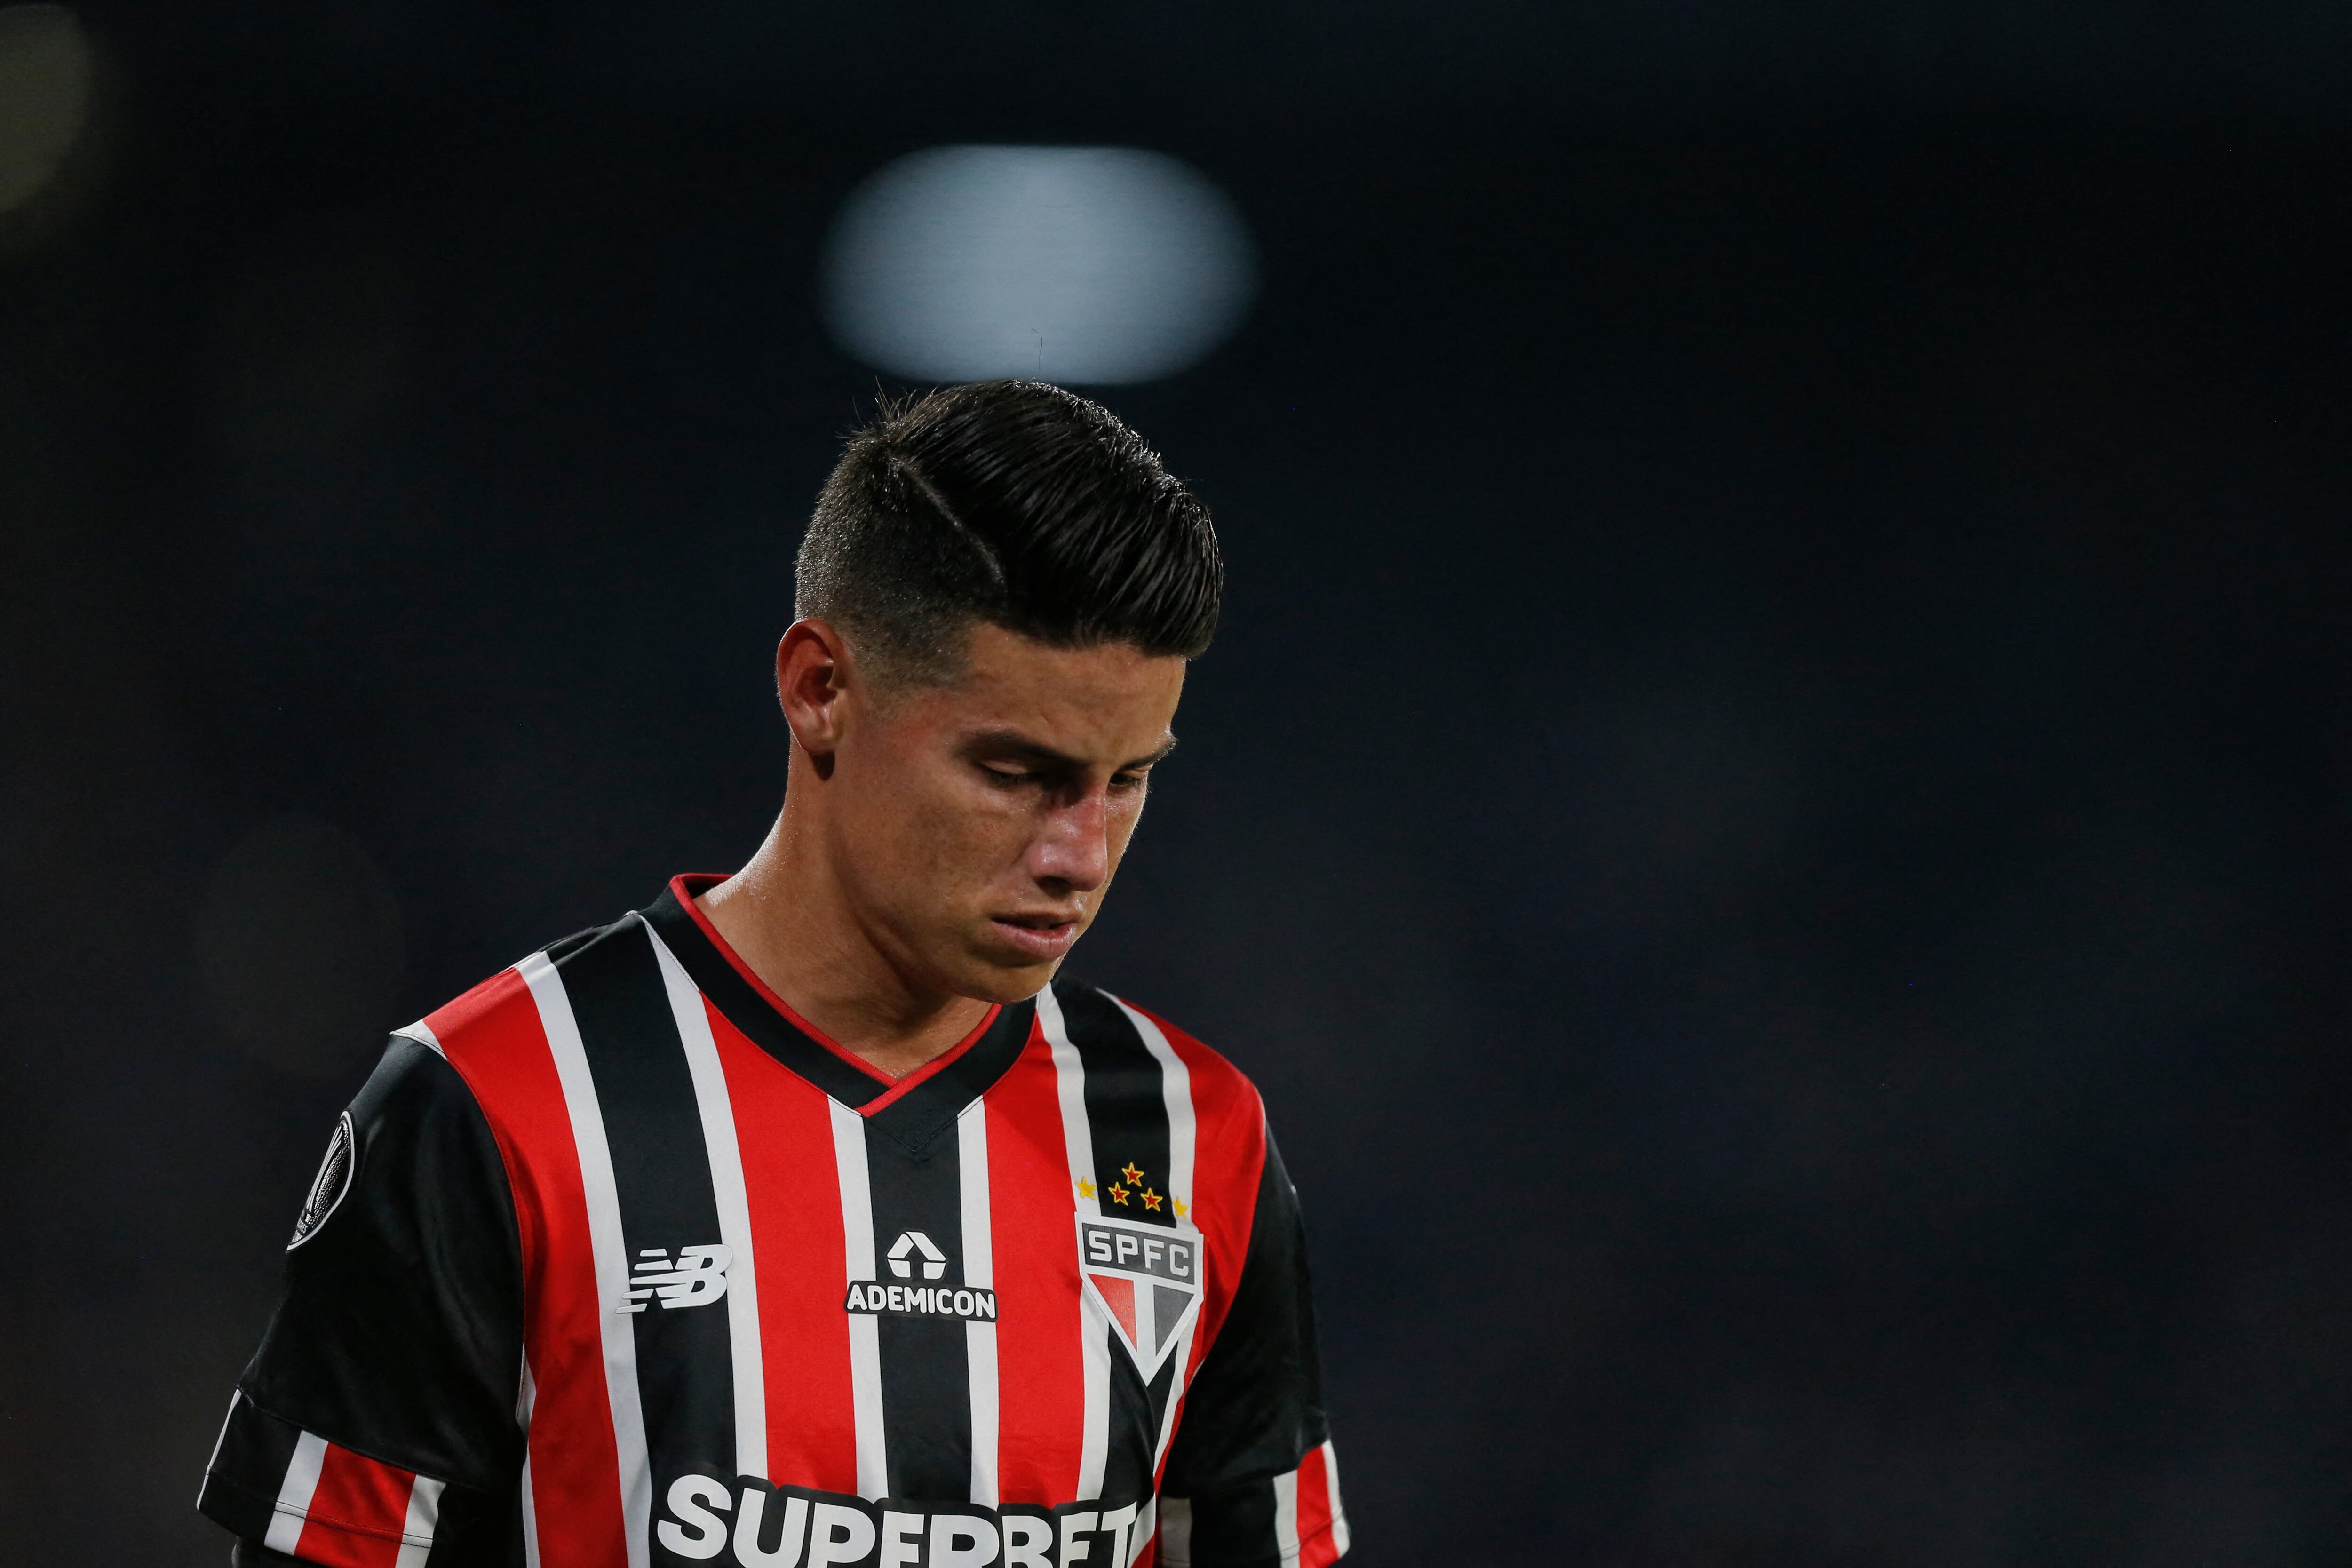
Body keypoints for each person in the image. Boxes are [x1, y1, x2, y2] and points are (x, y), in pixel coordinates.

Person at [195, 381, 1348, 1568]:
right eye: (1015, 771)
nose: (1080, 854)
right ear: (820, 690)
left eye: (1126, 779)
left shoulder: (1195, 1136)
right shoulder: (491, 1103)